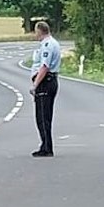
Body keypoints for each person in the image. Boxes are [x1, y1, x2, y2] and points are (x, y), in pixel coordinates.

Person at [29, 20, 61, 157]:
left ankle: (47, 147)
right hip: (49, 81)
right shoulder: (52, 43)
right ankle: (45, 144)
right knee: (44, 116)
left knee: (42, 117)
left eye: (36, 31)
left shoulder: (47, 45)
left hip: (45, 82)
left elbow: (44, 66)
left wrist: (35, 84)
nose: (35, 34)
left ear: (40, 31)